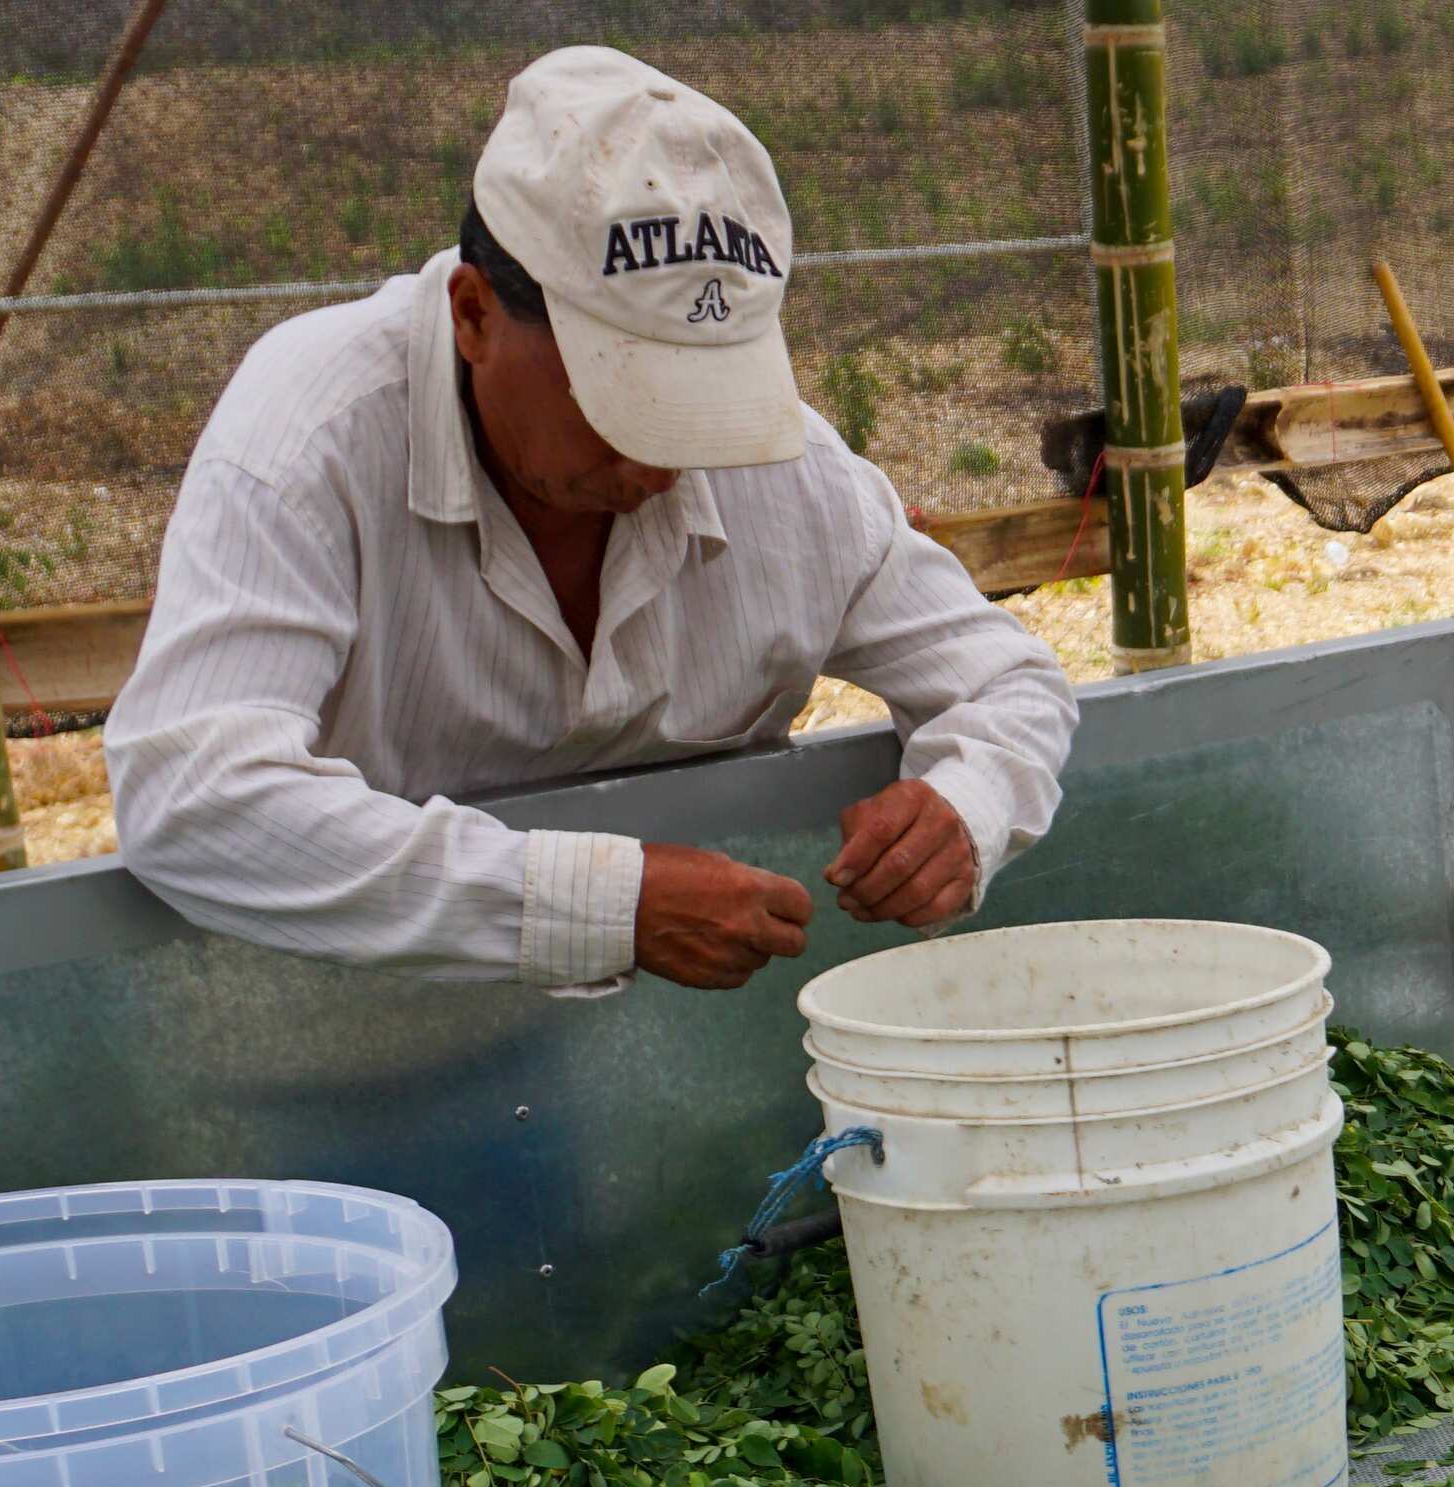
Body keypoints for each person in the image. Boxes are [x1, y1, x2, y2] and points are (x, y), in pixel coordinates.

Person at [106, 47, 1076, 995]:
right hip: (303, 1021)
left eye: (702, 400)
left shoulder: (791, 478)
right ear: (474, 314)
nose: (662, 463)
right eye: (622, 400)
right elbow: (192, 797)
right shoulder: (308, 443)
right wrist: (604, 903)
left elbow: (1009, 680)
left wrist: (965, 805)